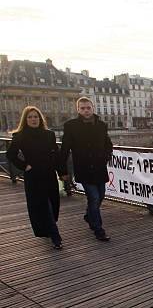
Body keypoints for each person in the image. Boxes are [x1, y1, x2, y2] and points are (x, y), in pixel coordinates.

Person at [7, 106, 63, 249]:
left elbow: (56, 155)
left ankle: (48, 229)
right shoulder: (20, 136)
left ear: (40, 118)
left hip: (49, 174)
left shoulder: (49, 134)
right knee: (43, 206)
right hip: (33, 177)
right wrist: (24, 166)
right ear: (25, 120)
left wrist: (62, 172)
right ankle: (56, 237)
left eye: (36, 116)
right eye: (30, 117)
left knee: (53, 205)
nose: (33, 119)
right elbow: (10, 154)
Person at [59, 97, 112, 241]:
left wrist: (106, 156)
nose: (86, 111)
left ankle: (89, 216)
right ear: (78, 110)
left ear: (92, 108)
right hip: (84, 168)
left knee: (100, 196)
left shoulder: (101, 125)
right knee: (94, 198)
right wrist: (62, 171)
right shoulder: (71, 126)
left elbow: (108, 144)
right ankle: (98, 229)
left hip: (99, 168)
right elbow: (64, 150)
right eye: (82, 108)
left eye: (88, 108)